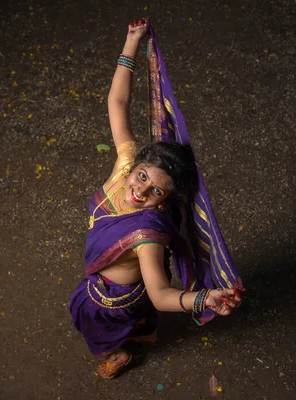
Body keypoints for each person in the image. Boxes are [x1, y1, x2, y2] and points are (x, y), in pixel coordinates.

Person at [69, 18, 243, 380]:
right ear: (137, 164)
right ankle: (145, 333)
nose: (140, 191)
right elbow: (117, 102)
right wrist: (132, 41)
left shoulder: (148, 235)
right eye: (143, 177)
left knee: (99, 328)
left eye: (156, 192)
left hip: (112, 301)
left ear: (165, 199)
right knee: (142, 317)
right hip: (117, 288)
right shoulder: (125, 164)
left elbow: (162, 294)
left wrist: (204, 299)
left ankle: (119, 353)